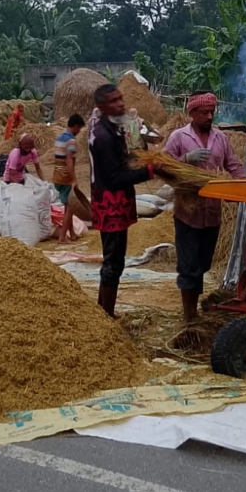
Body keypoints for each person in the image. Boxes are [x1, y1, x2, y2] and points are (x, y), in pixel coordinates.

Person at [163, 91, 246, 321]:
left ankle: (195, 309)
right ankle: (189, 316)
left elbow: (234, 166)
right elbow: (163, 167)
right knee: (188, 265)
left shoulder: (220, 139)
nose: (209, 116)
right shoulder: (179, 137)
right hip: (187, 213)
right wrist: (186, 160)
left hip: (212, 213)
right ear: (192, 113)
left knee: (203, 263)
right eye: (204, 112)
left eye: (211, 112)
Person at [88, 83, 154, 317]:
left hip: (116, 205)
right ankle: (107, 315)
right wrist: (148, 171)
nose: (121, 104)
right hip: (111, 207)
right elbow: (115, 178)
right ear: (102, 107)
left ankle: (102, 311)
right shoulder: (103, 136)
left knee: (113, 261)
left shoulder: (112, 130)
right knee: (113, 263)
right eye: (114, 101)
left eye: (120, 99)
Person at [53, 114, 86, 242]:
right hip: (66, 176)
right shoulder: (71, 141)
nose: (79, 132)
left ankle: (72, 234)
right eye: (79, 129)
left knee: (68, 206)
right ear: (76, 126)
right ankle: (62, 237)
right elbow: (69, 161)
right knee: (70, 208)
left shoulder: (59, 138)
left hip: (57, 175)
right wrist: (74, 179)